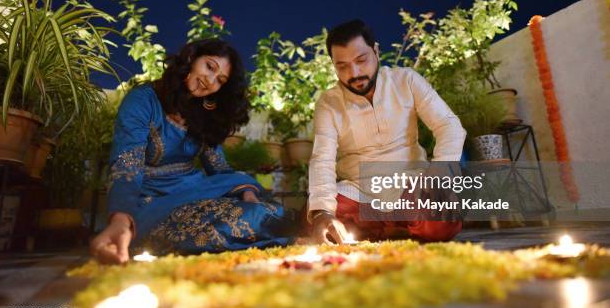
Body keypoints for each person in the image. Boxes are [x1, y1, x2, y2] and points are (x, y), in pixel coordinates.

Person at [90, 39, 294, 264]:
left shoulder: (205, 113)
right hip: (150, 199)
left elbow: (219, 168)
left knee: (270, 212)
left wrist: (246, 191)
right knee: (216, 228)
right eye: (210, 66)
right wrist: (120, 218)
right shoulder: (143, 99)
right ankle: (129, 233)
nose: (210, 80)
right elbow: (126, 166)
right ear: (191, 58)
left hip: (194, 191)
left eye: (220, 80)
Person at [307, 20, 466, 244]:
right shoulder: (328, 103)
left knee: (440, 222)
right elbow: (322, 158)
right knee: (320, 218)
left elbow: (448, 125)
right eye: (342, 66)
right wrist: (323, 212)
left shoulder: (406, 80)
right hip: (359, 191)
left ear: (376, 51)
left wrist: (439, 173)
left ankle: (380, 230)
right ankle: (394, 229)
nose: (354, 72)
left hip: (411, 185)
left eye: (361, 60)